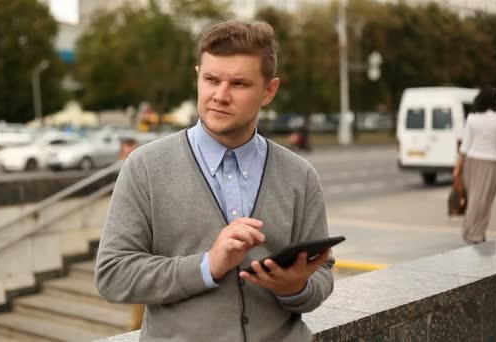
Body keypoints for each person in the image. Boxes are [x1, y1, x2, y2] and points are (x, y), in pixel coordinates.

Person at [96, 20, 334, 341]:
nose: (220, 96)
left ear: (269, 91)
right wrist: (209, 265)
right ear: (198, 77)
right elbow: (113, 275)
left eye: (238, 84)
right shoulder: (145, 167)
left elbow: (321, 274)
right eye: (211, 79)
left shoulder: (300, 175)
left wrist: (296, 288)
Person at [453, 85, 496, 245]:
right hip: (492, 164)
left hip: (472, 163)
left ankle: (471, 232)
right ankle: (475, 234)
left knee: (474, 198)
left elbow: (465, 146)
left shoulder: (472, 118)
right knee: (485, 201)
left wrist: (458, 167)